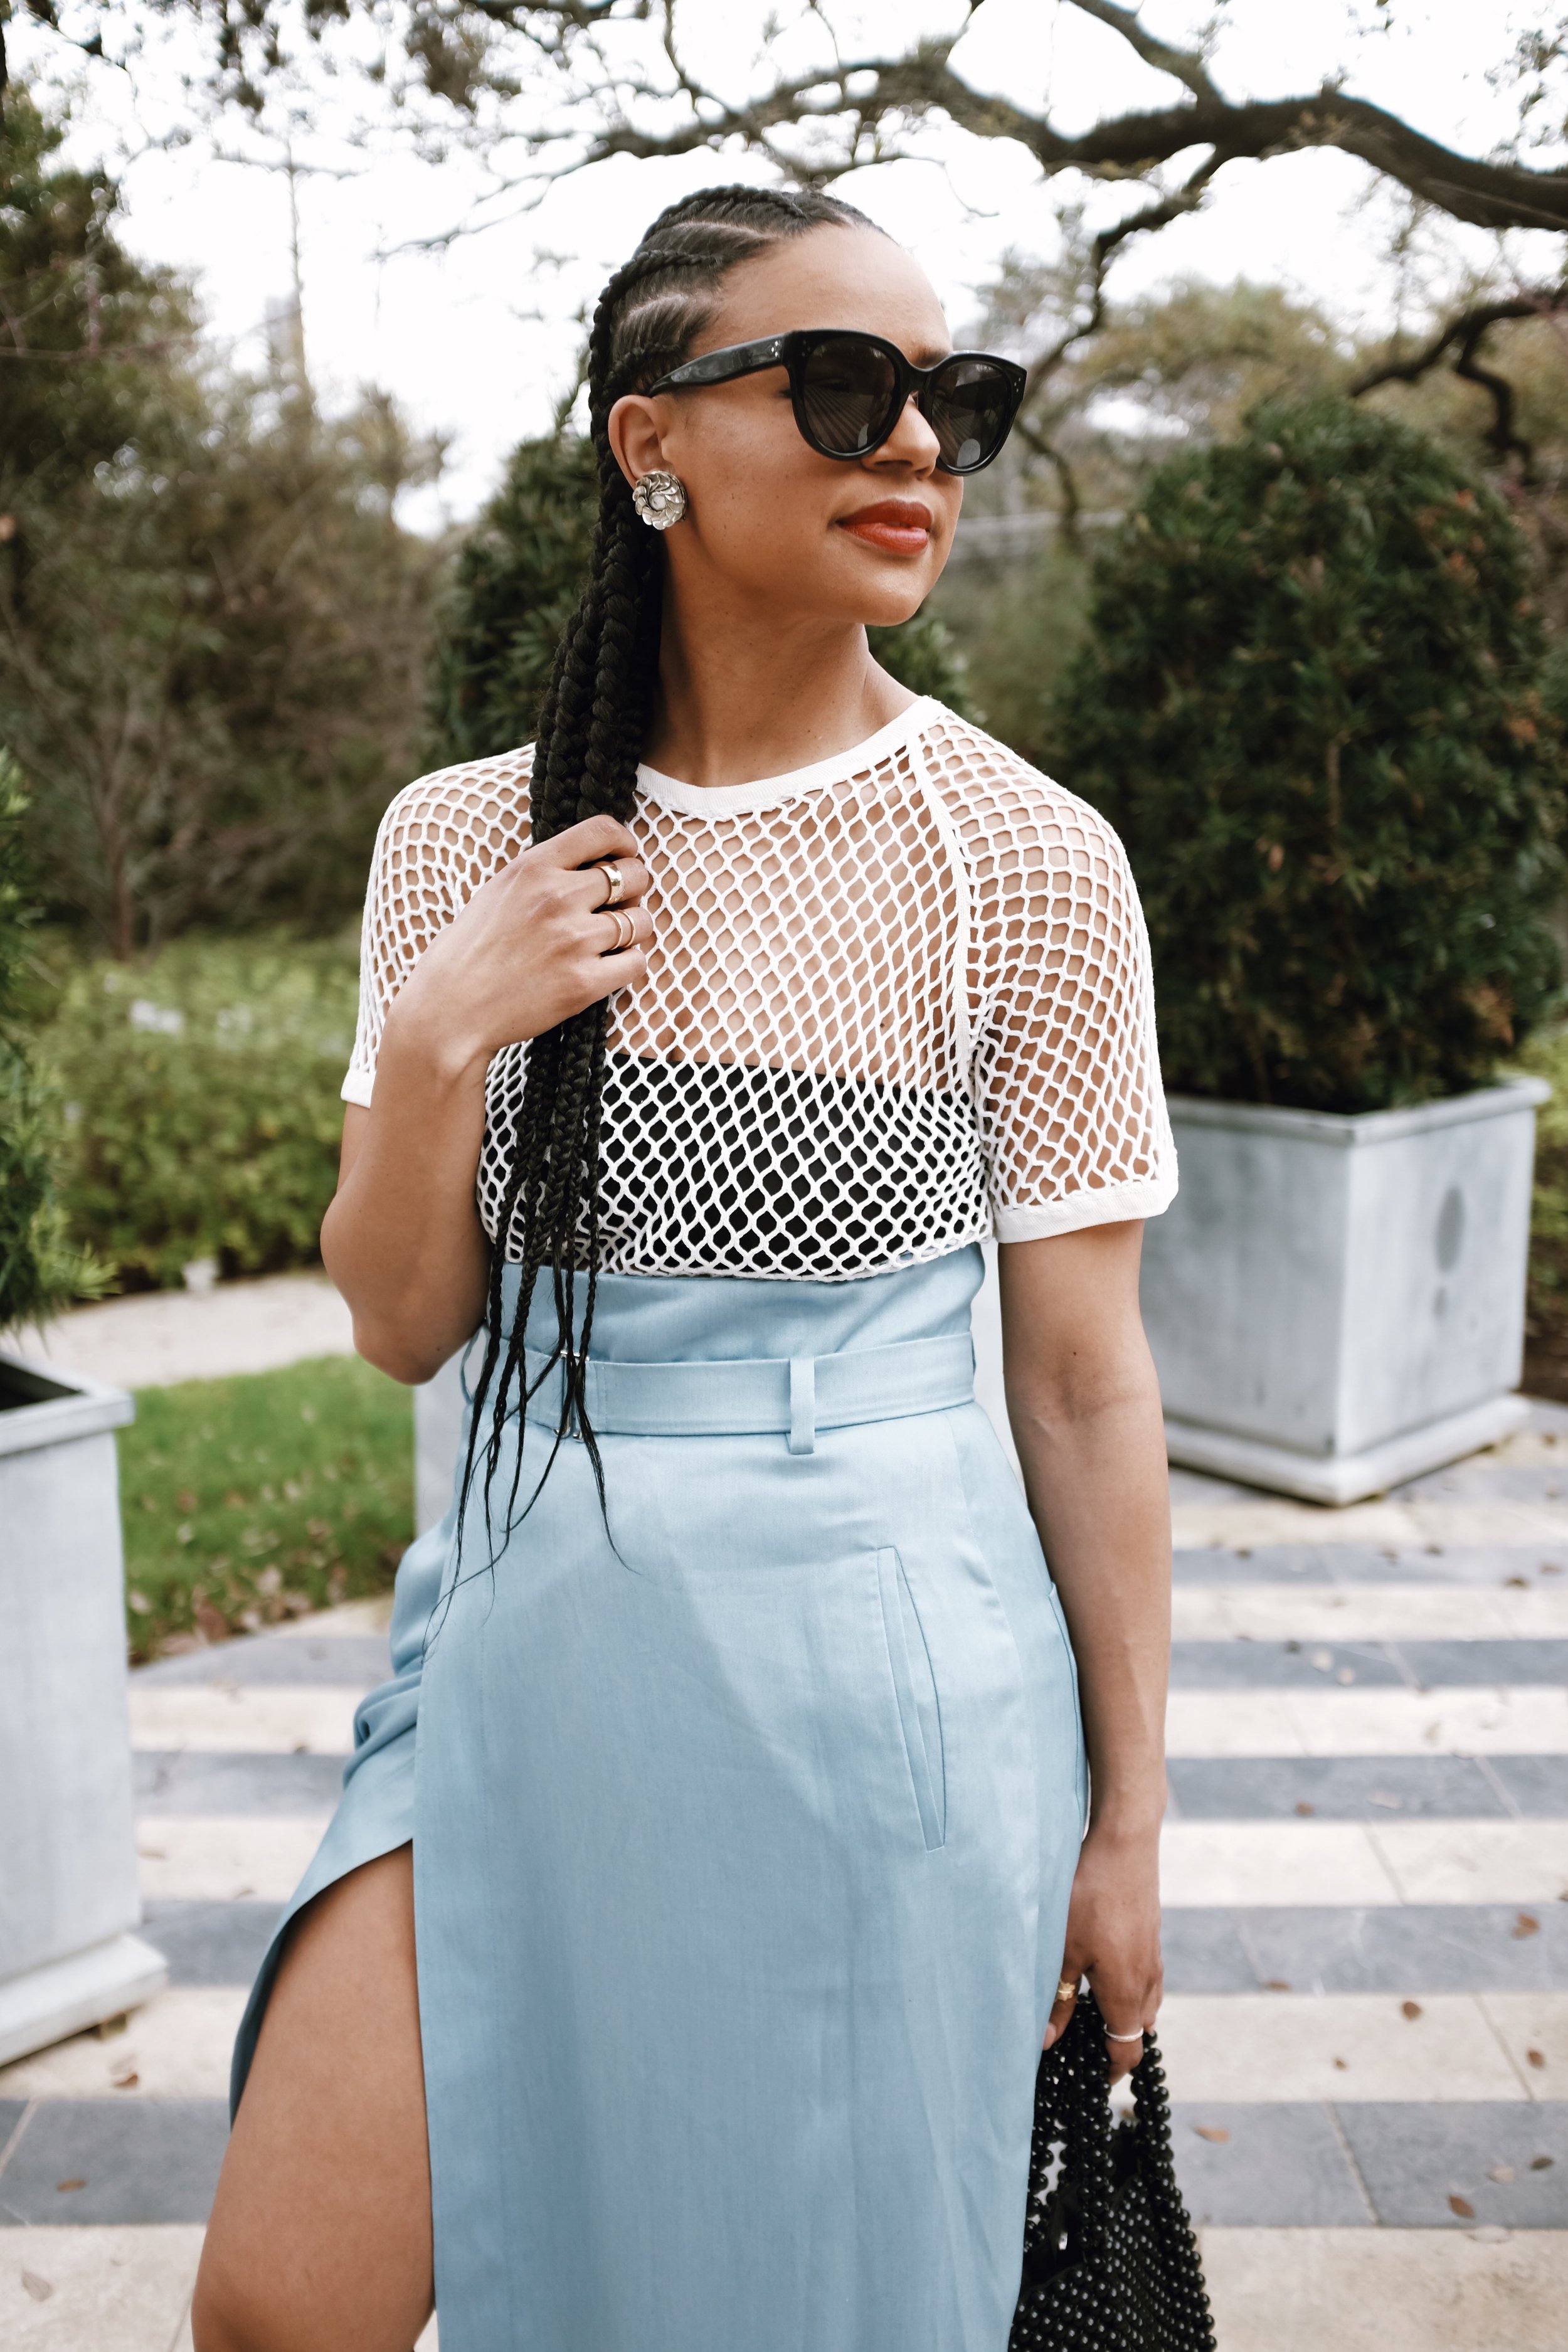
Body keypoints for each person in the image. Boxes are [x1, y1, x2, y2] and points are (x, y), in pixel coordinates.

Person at [193, 183, 1176, 2352]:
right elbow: (399, 1320)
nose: (913, 442)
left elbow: (1086, 1384)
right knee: (284, 2303)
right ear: (653, 443)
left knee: (799, 2304)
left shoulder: (1019, 856)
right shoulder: (467, 838)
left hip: (877, 1682)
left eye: (953, 399)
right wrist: (454, 1024)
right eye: (846, 387)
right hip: (520, 1629)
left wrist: (1129, 1822)